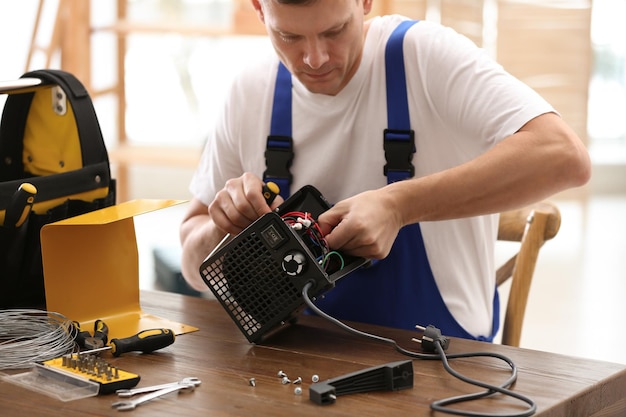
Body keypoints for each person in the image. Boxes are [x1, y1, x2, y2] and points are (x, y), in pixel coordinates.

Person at [179, 0, 590, 341]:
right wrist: (223, 228)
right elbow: (192, 267)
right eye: (289, 37)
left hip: (440, 363)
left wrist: (399, 205)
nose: (314, 58)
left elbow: (563, 156)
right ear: (259, 9)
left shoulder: (423, 56)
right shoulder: (252, 92)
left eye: (335, 31)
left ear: (365, 2)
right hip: (294, 361)